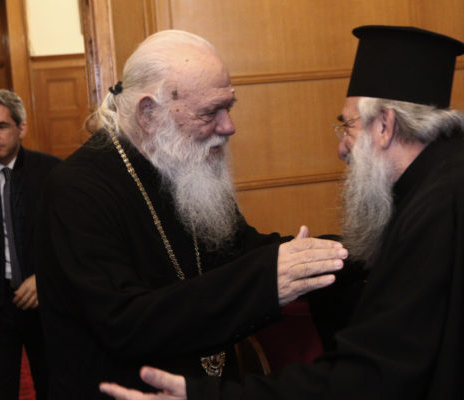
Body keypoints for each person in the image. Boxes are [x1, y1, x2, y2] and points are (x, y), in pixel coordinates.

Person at [99, 25, 464, 400]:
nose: (342, 149)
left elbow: (369, 380)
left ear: (384, 125)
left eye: (345, 127)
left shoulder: (444, 205)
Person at [34, 30, 348, 399]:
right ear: (148, 113)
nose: (228, 126)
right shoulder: (77, 190)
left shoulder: (185, 169)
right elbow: (123, 321)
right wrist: (265, 282)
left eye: (229, 107)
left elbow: (244, 252)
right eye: (211, 112)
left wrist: (347, 253)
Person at [0, 89, 61, 399]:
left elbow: (72, 241)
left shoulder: (54, 173)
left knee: (54, 387)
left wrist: (45, 278)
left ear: (21, 128)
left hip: (45, 302)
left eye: (1, 126)